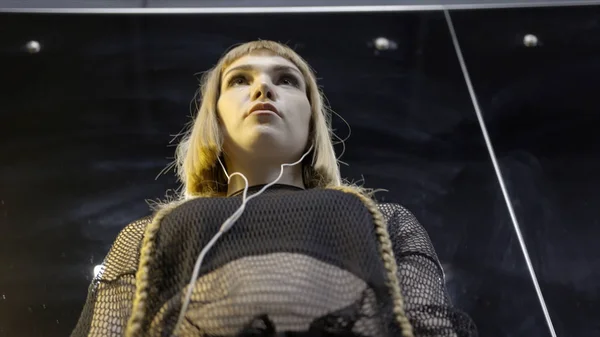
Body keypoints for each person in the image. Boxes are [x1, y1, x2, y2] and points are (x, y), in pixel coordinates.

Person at [71, 40, 476, 337]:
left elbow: (433, 328)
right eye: (239, 80)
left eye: (286, 80)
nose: (263, 89)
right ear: (214, 119)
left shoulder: (387, 224)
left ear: (311, 118)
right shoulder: (145, 238)